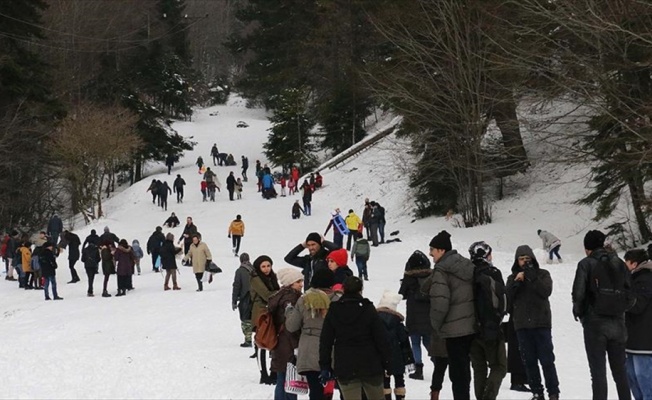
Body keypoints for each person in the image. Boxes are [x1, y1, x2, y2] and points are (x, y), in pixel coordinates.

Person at [572, 230, 630, 400]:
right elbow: (630, 294)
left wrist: (580, 313)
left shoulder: (586, 264)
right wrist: (620, 310)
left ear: (587, 248)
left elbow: (578, 294)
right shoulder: (619, 263)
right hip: (618, 324)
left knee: (598, 373)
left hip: (595, 324)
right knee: (621, 373)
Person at [319, 276, 390, 400]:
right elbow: (381, 338)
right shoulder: (368, 308)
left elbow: (326, 341)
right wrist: (387, 362)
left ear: (343, 289)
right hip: (370, 363)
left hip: (345, 364)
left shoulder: (335, 309)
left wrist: (325, 366)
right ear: (360, 289)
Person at [426, 230, 476, 400]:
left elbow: (440, 303)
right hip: (471, 326)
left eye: (432, 249)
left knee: (457, 373)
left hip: (453, 330)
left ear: (441, 250)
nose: (430, 253)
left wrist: (436, 325)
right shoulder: (466, 265)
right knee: (465, 370)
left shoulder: (441, 270)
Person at [506, 245, 560, 400]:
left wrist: (531, 276)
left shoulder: (543, 274)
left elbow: (545, 291)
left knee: (547, 360)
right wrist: (516, 284)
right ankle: (537, 391)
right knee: (529, 362)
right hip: (522, 325)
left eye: (527, 259)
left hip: (541, 324)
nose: (524, 262)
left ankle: (553, 392)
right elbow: (508, 299)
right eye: (521, 259)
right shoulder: (512, 277)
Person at [286, 268, 339, 400]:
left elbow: (292, 326)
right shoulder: (338, 301)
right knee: (328, 389)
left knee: (315, 389)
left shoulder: (304, 300)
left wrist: (289, 312)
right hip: (331, 350)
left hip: (309, 350)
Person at [468, 241, 507, 400]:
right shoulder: (493, 273)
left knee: (479, 369)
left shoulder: (468, 274)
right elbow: (503, 300)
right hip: (491, 328)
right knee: (499, 366)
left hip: (471, 329)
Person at [269, 268, 304, 400]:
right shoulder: (291, 298)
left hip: (279, 343)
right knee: (290, 381)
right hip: (288, 344)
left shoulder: (280, 295)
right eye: (298, 281)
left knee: (281, 378)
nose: (301, 284)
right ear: (290, 283)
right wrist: (296, 346)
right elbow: (291, 325)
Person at [623, 249, 652, 400]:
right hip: (633, 339)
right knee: (633, 378)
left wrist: (621, 294)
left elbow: (638, 305)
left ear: (634, 264)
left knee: (644, 379)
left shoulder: (646, 279)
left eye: (626, 263)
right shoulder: (634, 279)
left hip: (644, 341)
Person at [398, 250, 432, 381]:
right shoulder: (431, 276)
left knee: (415, 343)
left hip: (413, 314)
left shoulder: (409, 278)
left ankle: (419, 369)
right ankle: (437, 360)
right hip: (428, 314)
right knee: (428, 340)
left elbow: (402, 295)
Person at [250, 255, 280, 385]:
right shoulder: (256, 278)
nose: (266, 269)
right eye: (263, 266)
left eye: (268, 266)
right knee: (261, 342)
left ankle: (274, 371)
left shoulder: (272, 277)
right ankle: (263, 373)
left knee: (273, 340)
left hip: (271, 311)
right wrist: (283, 293)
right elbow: (267, 295)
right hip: (261, 313)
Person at [377, 290, 412, 400]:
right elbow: (404, 340)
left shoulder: (374, 320)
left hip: (381, 356)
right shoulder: (398, 322)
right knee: (399, 380)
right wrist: (409, 359)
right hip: (397, 356)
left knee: (384, 381)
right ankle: (400, 397)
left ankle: (386, 397)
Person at [232, 253, 254, 346]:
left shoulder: (240, 271)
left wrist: (234, 300)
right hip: (255, 297)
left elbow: (236, 286)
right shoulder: (254, 269)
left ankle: (248, 339)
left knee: (245, 319)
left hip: (245, 298)